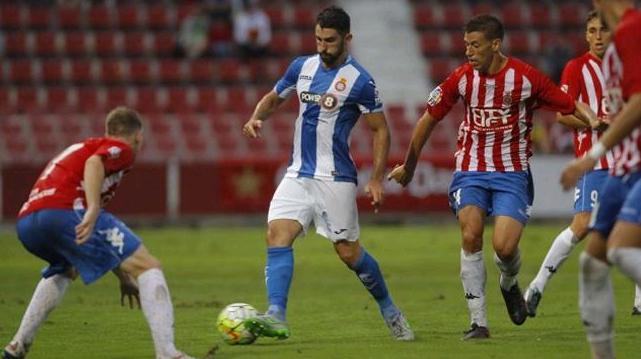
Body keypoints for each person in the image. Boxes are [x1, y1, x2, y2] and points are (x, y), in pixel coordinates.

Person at [388, 14, 598, 340]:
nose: (469, 52)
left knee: (504, 247)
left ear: (495, 45)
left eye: (475, 45)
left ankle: (510, 283)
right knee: (471, 232)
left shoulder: (526, 78)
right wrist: (410, 165)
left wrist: (595, 122)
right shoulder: (462, 78)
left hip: (512, 173)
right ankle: (478, 322)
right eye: (466, 45)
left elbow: (569, 104)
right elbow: (427, 120)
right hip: (471, 169)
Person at [239, 6, 414, 341]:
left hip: (335, 178)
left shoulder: (360, 81)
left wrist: (376, 179)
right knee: (277, 235)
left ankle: (389, 309)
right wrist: (256, 116)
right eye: (318, 39)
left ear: (347, 38)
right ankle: (276, 314)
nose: (323, 46)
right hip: (297, 174)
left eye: (330, 40)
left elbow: (381, 131)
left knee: (349, 253)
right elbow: (275, 98)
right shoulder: (301, 66)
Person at [2, 108, 197, 359]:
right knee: (148, 266)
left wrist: (123, 277)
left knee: (65, 268)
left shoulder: (84, 146)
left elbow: (99, 241)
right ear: (138, 136)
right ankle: (167, 353)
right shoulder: (121, 149)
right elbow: (95, 163)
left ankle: (18, 345)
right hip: (62, 211)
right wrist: (93, 207)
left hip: (28, 222)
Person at [524, 10, 641, 318]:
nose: (599, 35)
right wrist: (597, 125)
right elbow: (562, 112)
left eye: (603, 29)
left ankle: (639, 300)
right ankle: (537, 284)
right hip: (596, 160)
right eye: (592, 30)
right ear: (586, 35)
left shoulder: (627, 63)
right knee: (581, 226)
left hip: (630, 159)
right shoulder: (576, 68)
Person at [559, 0, 641, 358]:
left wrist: (590, 156)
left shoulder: (633, 31)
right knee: (592, 263)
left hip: (635, 163)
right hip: (622, 166)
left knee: (621, 250)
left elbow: (639, 103)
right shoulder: (611, 51)